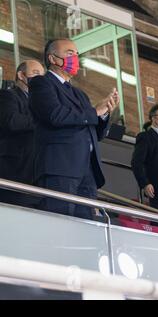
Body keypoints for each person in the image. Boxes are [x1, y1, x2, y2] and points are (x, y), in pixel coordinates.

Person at [29, 39, 118, 219]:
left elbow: (96, 132)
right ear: (53, 59)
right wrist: (95, 111)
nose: (75, 58)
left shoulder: (80, 94)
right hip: (60, 167)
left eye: (77, 54)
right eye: (70, 53)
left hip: (87, 170)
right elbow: (55, 115)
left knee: (84, 226)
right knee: (59, 222)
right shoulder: (41, 83)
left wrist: (104, 113)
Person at [0, 60, 44, 207]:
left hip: (35, 174)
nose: (40, 79)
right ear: (21, 75)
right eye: (36, 73)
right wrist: (44, 120)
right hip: (14, 171)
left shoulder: (39, 103)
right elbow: (12, 121)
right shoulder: (7, 95)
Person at [131, 103, 158, 211]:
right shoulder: (145, 137)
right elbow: (137, 162)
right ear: (153, 118)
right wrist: (145, 183)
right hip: (156, 187)